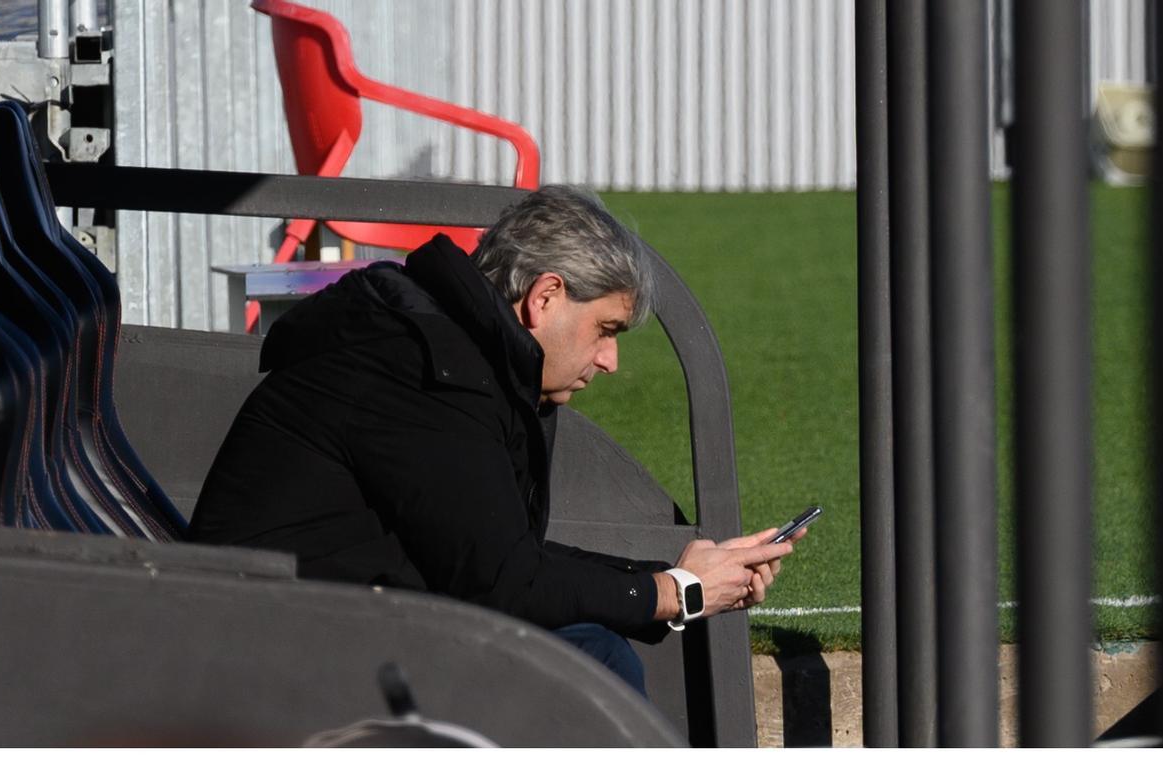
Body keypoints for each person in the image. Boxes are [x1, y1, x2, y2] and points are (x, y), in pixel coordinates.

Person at [187, 185, 804, 696]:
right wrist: (675, 593)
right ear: (545, 297)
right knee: (593, 663)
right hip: (274, 659)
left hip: (310, 630)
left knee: (590, 653)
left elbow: (502, 559)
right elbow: (504, 584)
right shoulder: (429, 368)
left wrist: (673, 575)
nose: (610, 359)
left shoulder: (453, 351)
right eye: (605, 330)